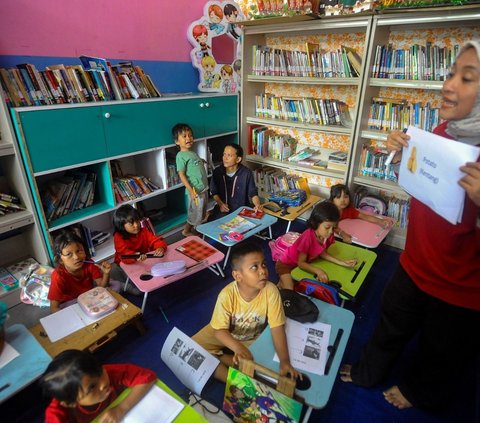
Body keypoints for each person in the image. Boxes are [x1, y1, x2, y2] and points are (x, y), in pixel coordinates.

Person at [340, 40, 480, 412]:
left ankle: (420, 392)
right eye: (451, 73)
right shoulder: (443, 130)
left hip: (462, 286)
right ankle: (370, 371)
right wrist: (403, 156)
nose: (449, 85)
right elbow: (424, 188)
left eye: (467, 79)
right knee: (390, 322)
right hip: (415, 261)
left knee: (443, 348)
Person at [192, 240, 301, 383]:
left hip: (251, 338)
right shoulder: (226, 295)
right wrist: (237, 348)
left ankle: (225, 359)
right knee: (191, 348)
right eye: (254, 267)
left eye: (263, 264)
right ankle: (232, 380)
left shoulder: (271, 291)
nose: (263, 271)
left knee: (265, 368)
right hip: (226, 333)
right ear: (238, 276)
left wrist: (285, 361)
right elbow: (219, 331)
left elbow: (277, 328)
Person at [40, 349, 156, 423]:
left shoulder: (109, 372)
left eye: (100, 371)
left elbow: (148, 377)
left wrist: (121, 408)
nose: (104, 383)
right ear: (70, 403)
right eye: (91, 387)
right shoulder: (56, 413)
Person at [275, 201, 357, 290]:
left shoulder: (327, 235)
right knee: (290, 290)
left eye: (333, 228)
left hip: (303, 264)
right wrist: (318, 271)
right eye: (327, 227)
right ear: (316, 223)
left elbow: (322, 253)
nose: (331, 231)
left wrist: (342, 262)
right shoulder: (308, 236)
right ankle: (280, 283)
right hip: (286, 264)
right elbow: (301, 263)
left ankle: (282, 283)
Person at [47, 231, 121, 313]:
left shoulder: (89, 263)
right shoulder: (58, 276)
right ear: (60, 260)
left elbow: (102, 287)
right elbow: (53, 308)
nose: (76, 257)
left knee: (117, 285)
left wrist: (106, 274)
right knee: (68, 310)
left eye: (79, 251)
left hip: (89, 295)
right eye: (69, 254)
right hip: (72, 302)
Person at [210, 144, 262, 220]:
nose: (225, 158)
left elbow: (253, 193)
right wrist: (220, 204)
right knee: (214, 227)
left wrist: (257, 205)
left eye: (229, 155)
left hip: (241, 211)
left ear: (238, 159)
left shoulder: (246, 173)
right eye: (224, 154)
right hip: (223, 210)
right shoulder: (217, 172)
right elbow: (214, 192)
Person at [174, 123, 209, 237]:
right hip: (194, 191)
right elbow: (181, 174)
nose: (188, 138)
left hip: (202, 188)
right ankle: (187, 231)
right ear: (177, 141)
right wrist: (190, 190)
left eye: (190, 135)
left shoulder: (191, 152)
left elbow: (193, 163)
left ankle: (198, 227)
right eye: (184, 136)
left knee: (201, 211)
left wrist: (201, 161)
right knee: (195, 213)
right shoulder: (181, 156)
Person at [329, 183, 394, 243]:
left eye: (346, 197)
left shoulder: (348, 210)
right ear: (332, 200)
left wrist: (381, 221)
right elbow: (330, 226)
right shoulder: (329, 211)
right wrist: (342, 234)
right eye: (338, 197)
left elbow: (364, 216)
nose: (342, 200)